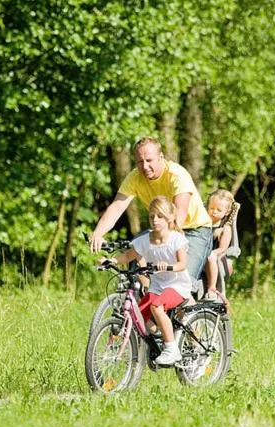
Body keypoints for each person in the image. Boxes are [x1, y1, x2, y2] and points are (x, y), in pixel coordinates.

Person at [90, 137, 213, 292]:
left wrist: (165, 245)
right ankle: (144, 298)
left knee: (180, 281)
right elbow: (117, 206)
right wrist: (98, 233)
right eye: (140, 162)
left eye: (149, 160)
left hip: (195, 229)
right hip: (161, 229)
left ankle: (195, 294)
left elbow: (179, 213)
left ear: (161, 157)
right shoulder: (135, 177)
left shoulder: (176, 175)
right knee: (136, 260)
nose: (145, 166)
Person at [101, 196, 194, 365]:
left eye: (160, 216)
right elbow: (128, 256)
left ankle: (171, 348)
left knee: (156, 306)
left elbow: (182, 264)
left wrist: (168, 267)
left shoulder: (176, 239)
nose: (155, 220)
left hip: (177, 286)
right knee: (140, 315)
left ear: (170, 218)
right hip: (157, 286)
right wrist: (112, 260)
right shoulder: (145, 240)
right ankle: (160, 337)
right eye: (152, 216)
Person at [204, 189, 235, 303]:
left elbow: (222, 248)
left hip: (219, 258)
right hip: (202, 255)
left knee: (210, 255)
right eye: (211, 208)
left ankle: (212, 287)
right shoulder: (203, 223)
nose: (214, 212)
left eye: (218, 210)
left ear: (226, 212)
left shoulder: (225, 228)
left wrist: (211, 253)